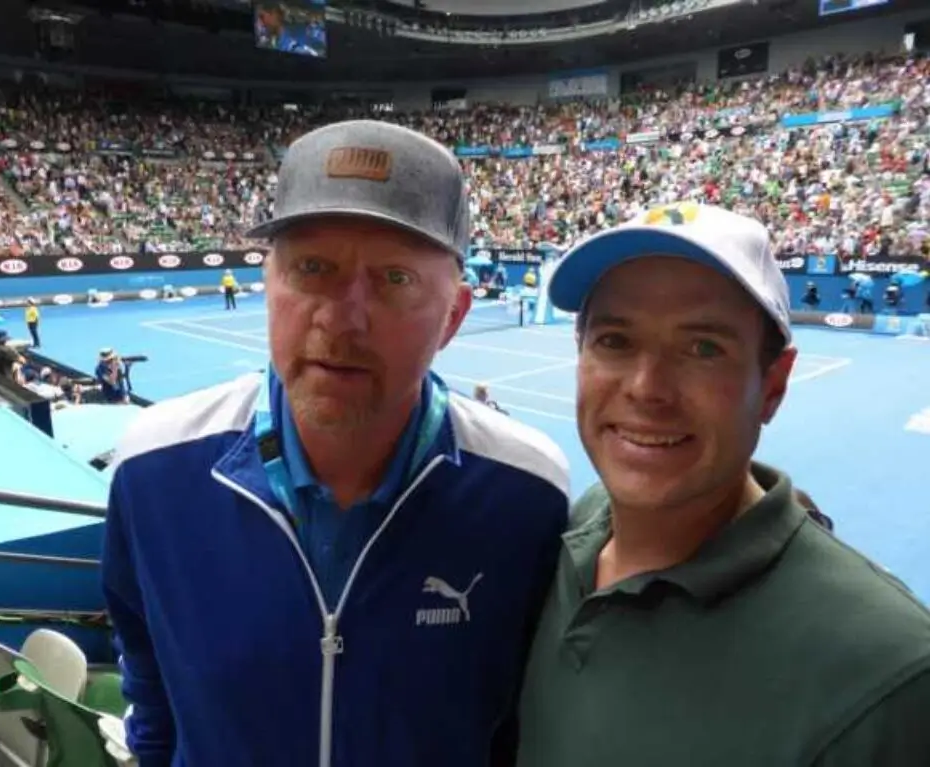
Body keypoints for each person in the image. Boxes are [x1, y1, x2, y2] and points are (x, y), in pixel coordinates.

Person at [102, 120, 570, 767]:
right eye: (312, 268)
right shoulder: (153, 471)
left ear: (455, 316)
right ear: (266, 283)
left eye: (395, 279)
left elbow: (520, 726)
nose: (342, 317)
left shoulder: (527, 495)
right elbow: (150, 690)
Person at [516, 202, 930, 766]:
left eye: (703, 348)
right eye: (614, 340)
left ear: (775, 386)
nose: (647, 388)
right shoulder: (572, 529)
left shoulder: (892, 675)